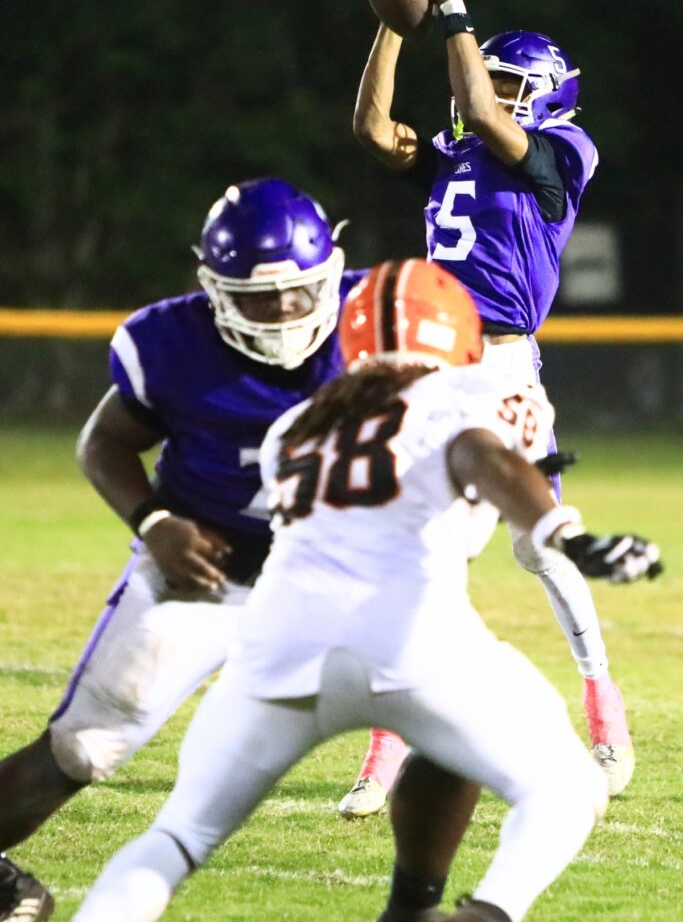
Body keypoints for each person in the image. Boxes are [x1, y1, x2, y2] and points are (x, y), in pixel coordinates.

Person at [71, 259, 660, 922]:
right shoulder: (470, 396)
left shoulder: (293, 427)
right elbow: (476, 455)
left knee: (176, 837)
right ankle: (481, 914)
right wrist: (561, 528)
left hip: (278, 650)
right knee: (567, 788)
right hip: (409, 642)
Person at [0, 177, 365, 922]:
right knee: (83, 750)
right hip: (209, 573)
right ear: (213, 288)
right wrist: (152, 520)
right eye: (258, 298)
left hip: (349, 579)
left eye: (300, 291)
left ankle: (424, 901)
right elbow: (105, 441)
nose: (285, 311)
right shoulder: (169, 343)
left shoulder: (388, 320)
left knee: (451, 719)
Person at [340, 0, 635, 818]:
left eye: (509, 88)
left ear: (542, 97)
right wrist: (396, 25)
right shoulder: (461, 146)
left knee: (537, 542)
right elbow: (369, 130)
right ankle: (386, 747)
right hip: (423, 359)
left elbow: (484, 104)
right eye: (489, 83)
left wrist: (457, 11)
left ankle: (603, 708)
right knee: (409, 545)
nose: (484, 100)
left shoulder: (561, 152)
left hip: (503, 364)